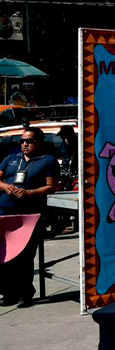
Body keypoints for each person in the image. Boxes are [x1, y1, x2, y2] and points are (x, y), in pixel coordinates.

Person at [0, 125, 59, 307]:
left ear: (40, 142)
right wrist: (6, 187)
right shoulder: (11, 159)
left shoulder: (48, 161)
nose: (25, 144)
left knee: (24, 257)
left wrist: (30, 193)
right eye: (22, 141)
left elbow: (51, 186)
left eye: (29, 141)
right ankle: (8, 292)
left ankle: (25, 293)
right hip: (5, 214)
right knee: (5, 255)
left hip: (29, 217)